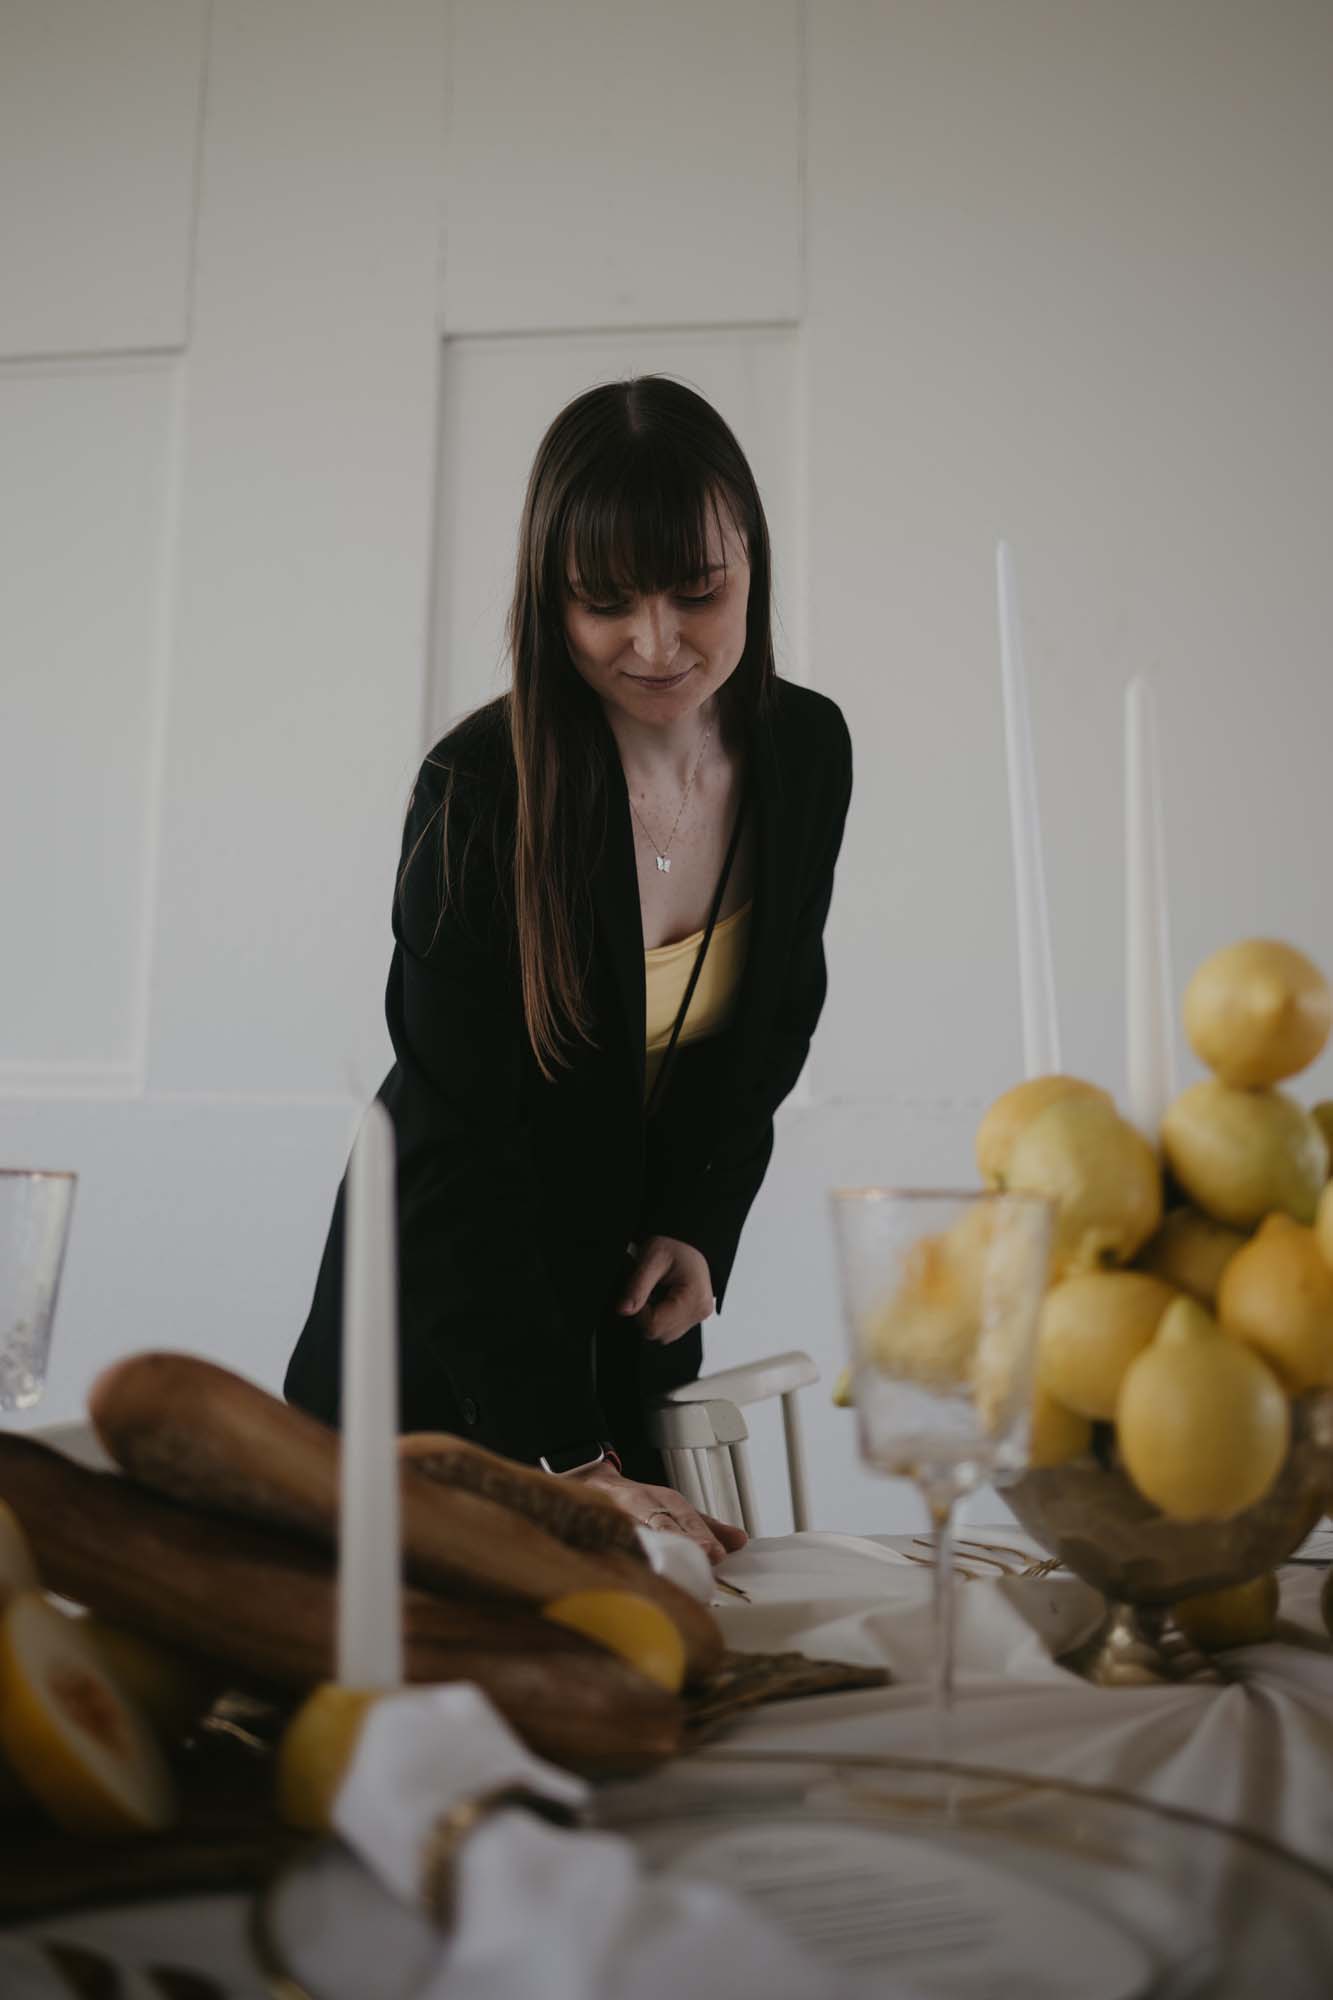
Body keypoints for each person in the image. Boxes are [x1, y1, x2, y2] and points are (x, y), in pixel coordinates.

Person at [285, 376, 852, 1563]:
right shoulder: (478, 791)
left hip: (621, 1323)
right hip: (447, 1329)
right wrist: (567, 1457)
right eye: (605, 602)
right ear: (549, 601)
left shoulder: (806, 749)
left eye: (698, 590)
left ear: (753, 563)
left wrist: (698, 1222)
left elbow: (772, 1025)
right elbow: (452, 1150)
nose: (657, 642)